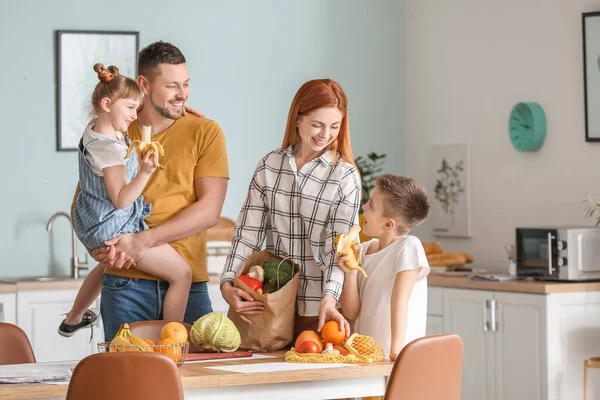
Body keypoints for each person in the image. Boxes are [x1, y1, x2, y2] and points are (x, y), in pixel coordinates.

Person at [74, 41, 229, 340]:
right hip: (125, 286)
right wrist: (96, 246)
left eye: (185, 84)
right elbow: (85, 199)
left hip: (189, 285)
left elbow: (210, 211)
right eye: (172, 86)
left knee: (195, 384)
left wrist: (141, 242)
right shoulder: (116, 131)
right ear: (144, 84)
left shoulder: (205, 131)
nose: (182, 94)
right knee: (127, 384)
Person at [59, 63, 192, 337]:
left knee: (105, 264)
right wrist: (144, 172)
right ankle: (172, 342)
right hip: (113, 227)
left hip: (92, 219)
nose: (135, 115)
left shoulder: (93, 132)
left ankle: (73, 318)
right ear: (107, 104)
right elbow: (121, 200)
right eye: (130, 108)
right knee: (182, 274)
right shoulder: (110, 149)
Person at [220, 79, 361, 337]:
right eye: (317, 124)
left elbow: (340, 251)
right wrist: (228, 282)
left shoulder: (344, 177)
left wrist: (330, 297)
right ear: (298, 119)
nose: (325, 134)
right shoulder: (269, 166)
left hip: (320, 310)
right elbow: (247, 233)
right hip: (271, 304)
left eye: (334, 126)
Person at [338, 174, 430, 360]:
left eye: (371, 205)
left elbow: (400, 299)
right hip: (365, 357)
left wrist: (396, 352)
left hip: (394, 359)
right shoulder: (362, 250)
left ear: (389, 224)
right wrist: (349, 273)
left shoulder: (408, 247)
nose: (363, 207)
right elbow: (351, 312)